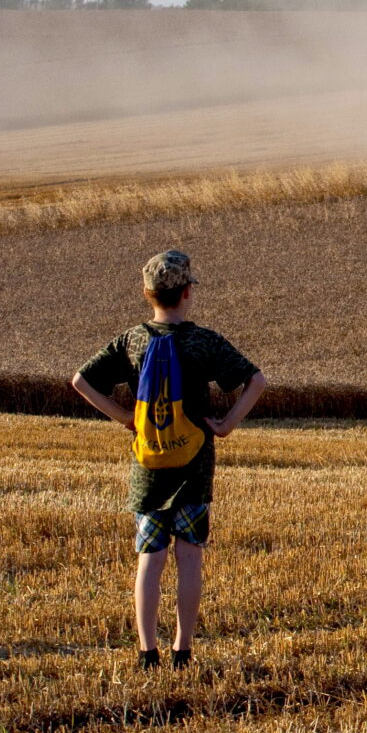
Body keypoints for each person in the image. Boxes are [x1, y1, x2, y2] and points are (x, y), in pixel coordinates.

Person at [70, 250, 267, 671]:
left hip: (148, 465)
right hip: (194, 462)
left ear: (147, 294)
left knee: (150, 557)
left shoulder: (133, 339)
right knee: (190, 556)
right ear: (188, 292)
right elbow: (257, 380)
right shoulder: (203, 340)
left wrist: (126, 418)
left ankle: (146, 652)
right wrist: (228, 422)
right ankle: (182, 650)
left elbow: (80, 380)